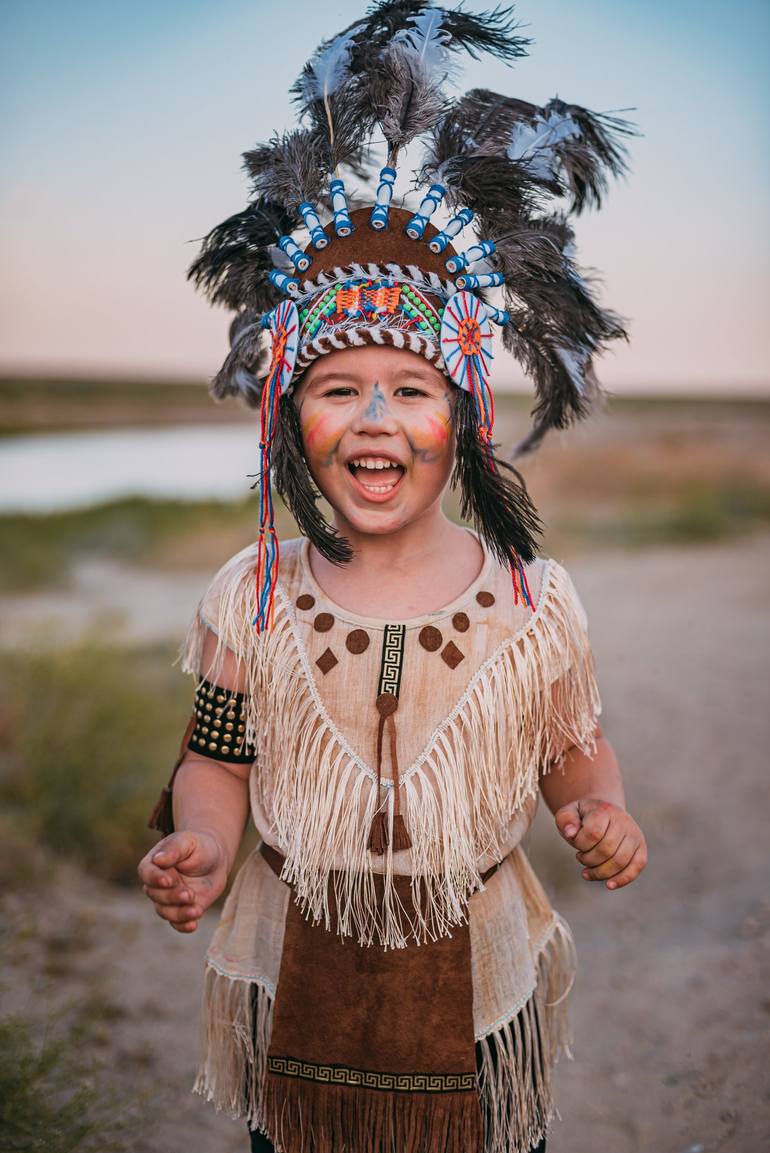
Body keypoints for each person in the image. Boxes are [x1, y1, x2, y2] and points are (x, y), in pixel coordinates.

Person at [138, 5, 647, 1152]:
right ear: (287, 417)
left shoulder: (529, 600)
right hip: (297, 972)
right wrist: (206, 847)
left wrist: (595, 809)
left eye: (411, 389)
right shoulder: (251, 595)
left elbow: (570, 748)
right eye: (336, 386)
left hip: (474, 978)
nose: (375, 419)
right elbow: (216, 757)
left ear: (463, 417)